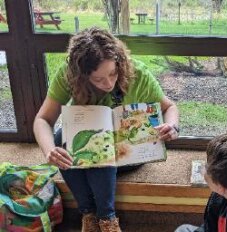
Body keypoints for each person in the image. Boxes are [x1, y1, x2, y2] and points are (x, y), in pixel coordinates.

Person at [33, 27, 179, 232]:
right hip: (95, 148)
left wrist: (172, 126)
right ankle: (90, 215)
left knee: (101, 143)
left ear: (120, 62)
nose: (109, 83)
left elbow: (170, 107)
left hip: (130, 153)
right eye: (98, 79)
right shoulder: (67, 75)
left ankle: (106, 218)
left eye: (113, 73)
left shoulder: (138, 73)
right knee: (61, 139)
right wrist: (49, 150)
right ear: (82, 75)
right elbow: (42, 119)